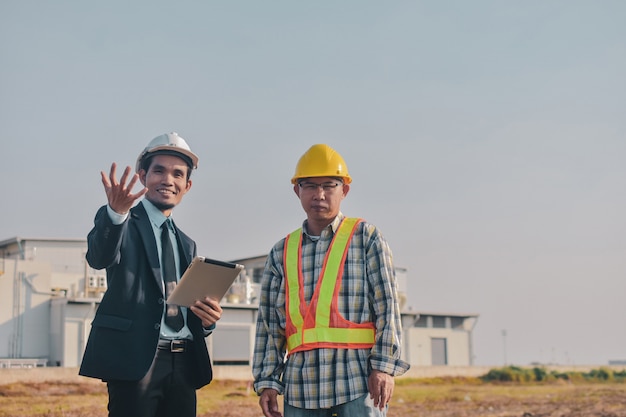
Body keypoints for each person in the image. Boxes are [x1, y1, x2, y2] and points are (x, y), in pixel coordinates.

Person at [252, 144, 410, 417]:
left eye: (329, 185)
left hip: (358, 383)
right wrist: (267, 381)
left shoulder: (366, 237)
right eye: (310, 186)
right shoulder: (282, 251)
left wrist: (384, 367)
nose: (319, 194)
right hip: (301, 388)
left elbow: (387, 307)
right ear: (296, 191)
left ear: (344, 190)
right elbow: (269, 324)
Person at [79, 132, 223, 417]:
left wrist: (206, 320)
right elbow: (99, 258)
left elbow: (184, 304)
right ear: (143, 176)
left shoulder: (186, 243)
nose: (168, 180)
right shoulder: (121, 222)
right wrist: (116, 213)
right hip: (136, 361)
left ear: (187, 185)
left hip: (183, 362)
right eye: (159, 171)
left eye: (178, 174)